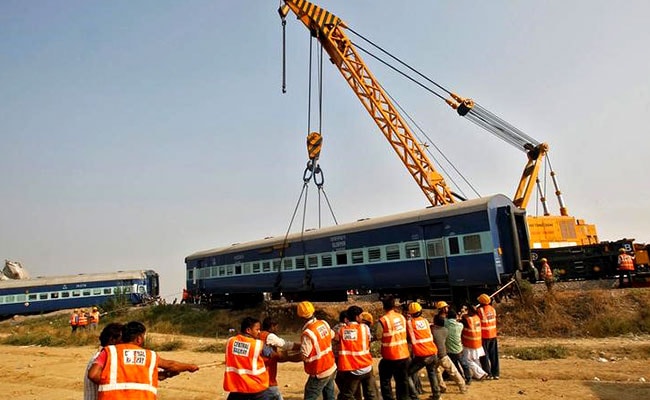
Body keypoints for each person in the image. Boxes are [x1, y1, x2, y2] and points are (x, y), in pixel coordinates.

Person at [87, 321, 199, 399]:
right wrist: (190, 367)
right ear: (139, 338)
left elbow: (93, 375)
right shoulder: (150, 355)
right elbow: (171, 365)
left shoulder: (109, 352)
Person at [224, 317, 274, 400]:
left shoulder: (231, 341)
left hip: (237, 387)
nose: (259, 332)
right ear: (248, 330)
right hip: (256, 388)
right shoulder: (258, 344)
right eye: (257, 329)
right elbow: (272, 354)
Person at [335, 305, 377, 400]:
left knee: (347, 395)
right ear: (357, 317)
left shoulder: (342, 330)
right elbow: (368, 340)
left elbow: (336, 338)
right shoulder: (365, 328)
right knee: (371, 394)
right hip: (367, 367)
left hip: (353, 369)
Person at [298, 301, 337, 400]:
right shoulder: (323, 323)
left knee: (310, 396)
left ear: (300, 317)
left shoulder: (308, 333)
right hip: (331, 366)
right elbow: (332, 335)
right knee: (329, 395)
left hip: (319, 370)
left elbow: (304, 356)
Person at [376, 295, 410, 400]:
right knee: (402, 380)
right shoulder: (401, 317)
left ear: (383, 307)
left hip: (390, 356)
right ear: (394, 305)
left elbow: (378, 335)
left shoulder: (383, 320)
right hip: (404, 354)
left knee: (385, 381)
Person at [405, 301, 440, 400]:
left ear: (410, 313)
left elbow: (407, 336)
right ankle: (436, 394)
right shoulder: (425, 321)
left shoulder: (409, 323)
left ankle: (415, 396)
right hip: (433, 352)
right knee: (432, 372)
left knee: (407, 374)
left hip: (422, 354)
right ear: (420, 311)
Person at [259, 317, 301, 400]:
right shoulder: (269, 336)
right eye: (276, 327)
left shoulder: (259, 335)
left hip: (260, 372)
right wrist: (302, 346)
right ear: (272, 326)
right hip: (267, 374)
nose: (277, 329)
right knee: (275, 394)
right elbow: (285, 345)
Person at [84, 323, 123, 400]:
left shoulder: (101, 356)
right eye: (122, 340)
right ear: (112, 339)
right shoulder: (104, 357)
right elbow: (94, 376)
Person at [432, 314, 466, 394]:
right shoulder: (445, 330)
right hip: (443, 354)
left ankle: (442, 386)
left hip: (435, 355)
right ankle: (462, 387)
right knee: (453, 371)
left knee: (436, 371)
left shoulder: (432, 330)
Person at [461, 305, 488, 381]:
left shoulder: (466, 319)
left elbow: (460, 321)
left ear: (470, 310)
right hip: (477, 342)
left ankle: (481, 373)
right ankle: (478, 375)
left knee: (466, 360)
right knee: (476, 359)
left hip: (469, 342)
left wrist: (461, 314)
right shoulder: (477, 317)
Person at [476, 294, 499, 380]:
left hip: (484, 336)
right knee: (494, 356)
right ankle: (496, 373)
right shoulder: (492, 309)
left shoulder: (480, 310)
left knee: (484, 356)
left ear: (481, 302)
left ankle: (488, 373)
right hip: (493, 334)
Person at [445, 309, 470, 385]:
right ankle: (468, 378)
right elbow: (462, 323)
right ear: (455, 316)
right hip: (458, 349)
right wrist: (459, 318)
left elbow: (445, 320)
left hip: (449, 349)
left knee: (452, 365)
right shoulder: (460, 325)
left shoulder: (445, 324)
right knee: (464, 364)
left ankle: (457, 377)